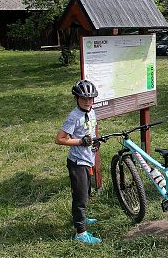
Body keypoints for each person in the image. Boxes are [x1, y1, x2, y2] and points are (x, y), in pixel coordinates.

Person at [54, 80, 102, 244]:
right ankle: (81, 233)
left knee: (86, 192)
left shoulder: (92, 111)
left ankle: (81, 217)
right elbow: (59, 139)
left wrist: (94, 140)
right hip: (77, 162)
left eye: (90, 99)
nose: (88, 102)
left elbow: (92, 129)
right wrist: (81, 142)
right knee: (80, 197)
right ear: (76, 99)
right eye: (83, 99)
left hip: (88, 159)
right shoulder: (74, 117)